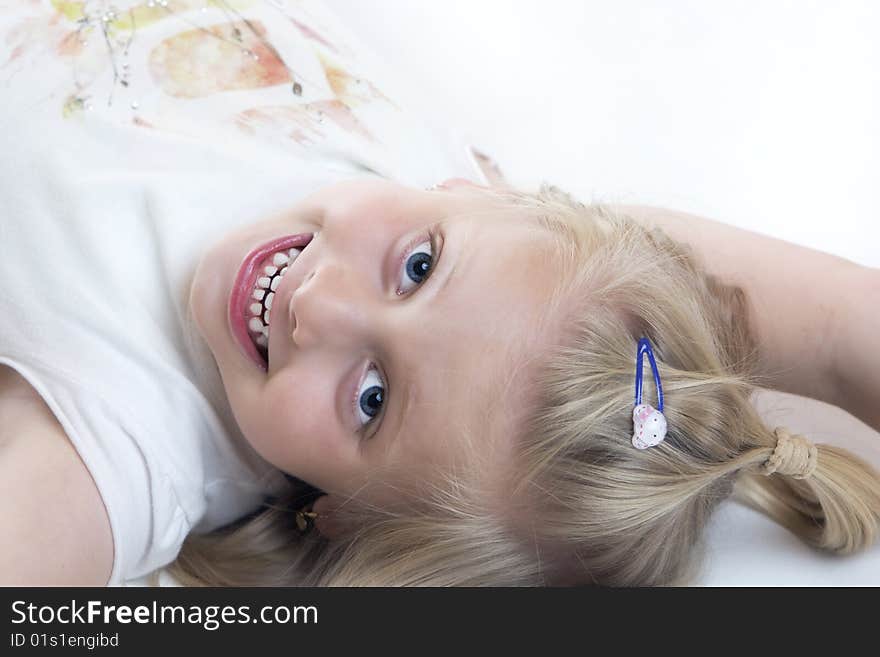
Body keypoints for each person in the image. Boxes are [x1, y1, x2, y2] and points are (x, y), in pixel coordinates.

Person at [1, 1, 877, 586]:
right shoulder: (492, 228)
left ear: (338, 514)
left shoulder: (130, 444)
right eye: (418, 269)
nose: (321, 305)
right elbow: (848, 332)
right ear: (489, 191)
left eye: (373, 399)